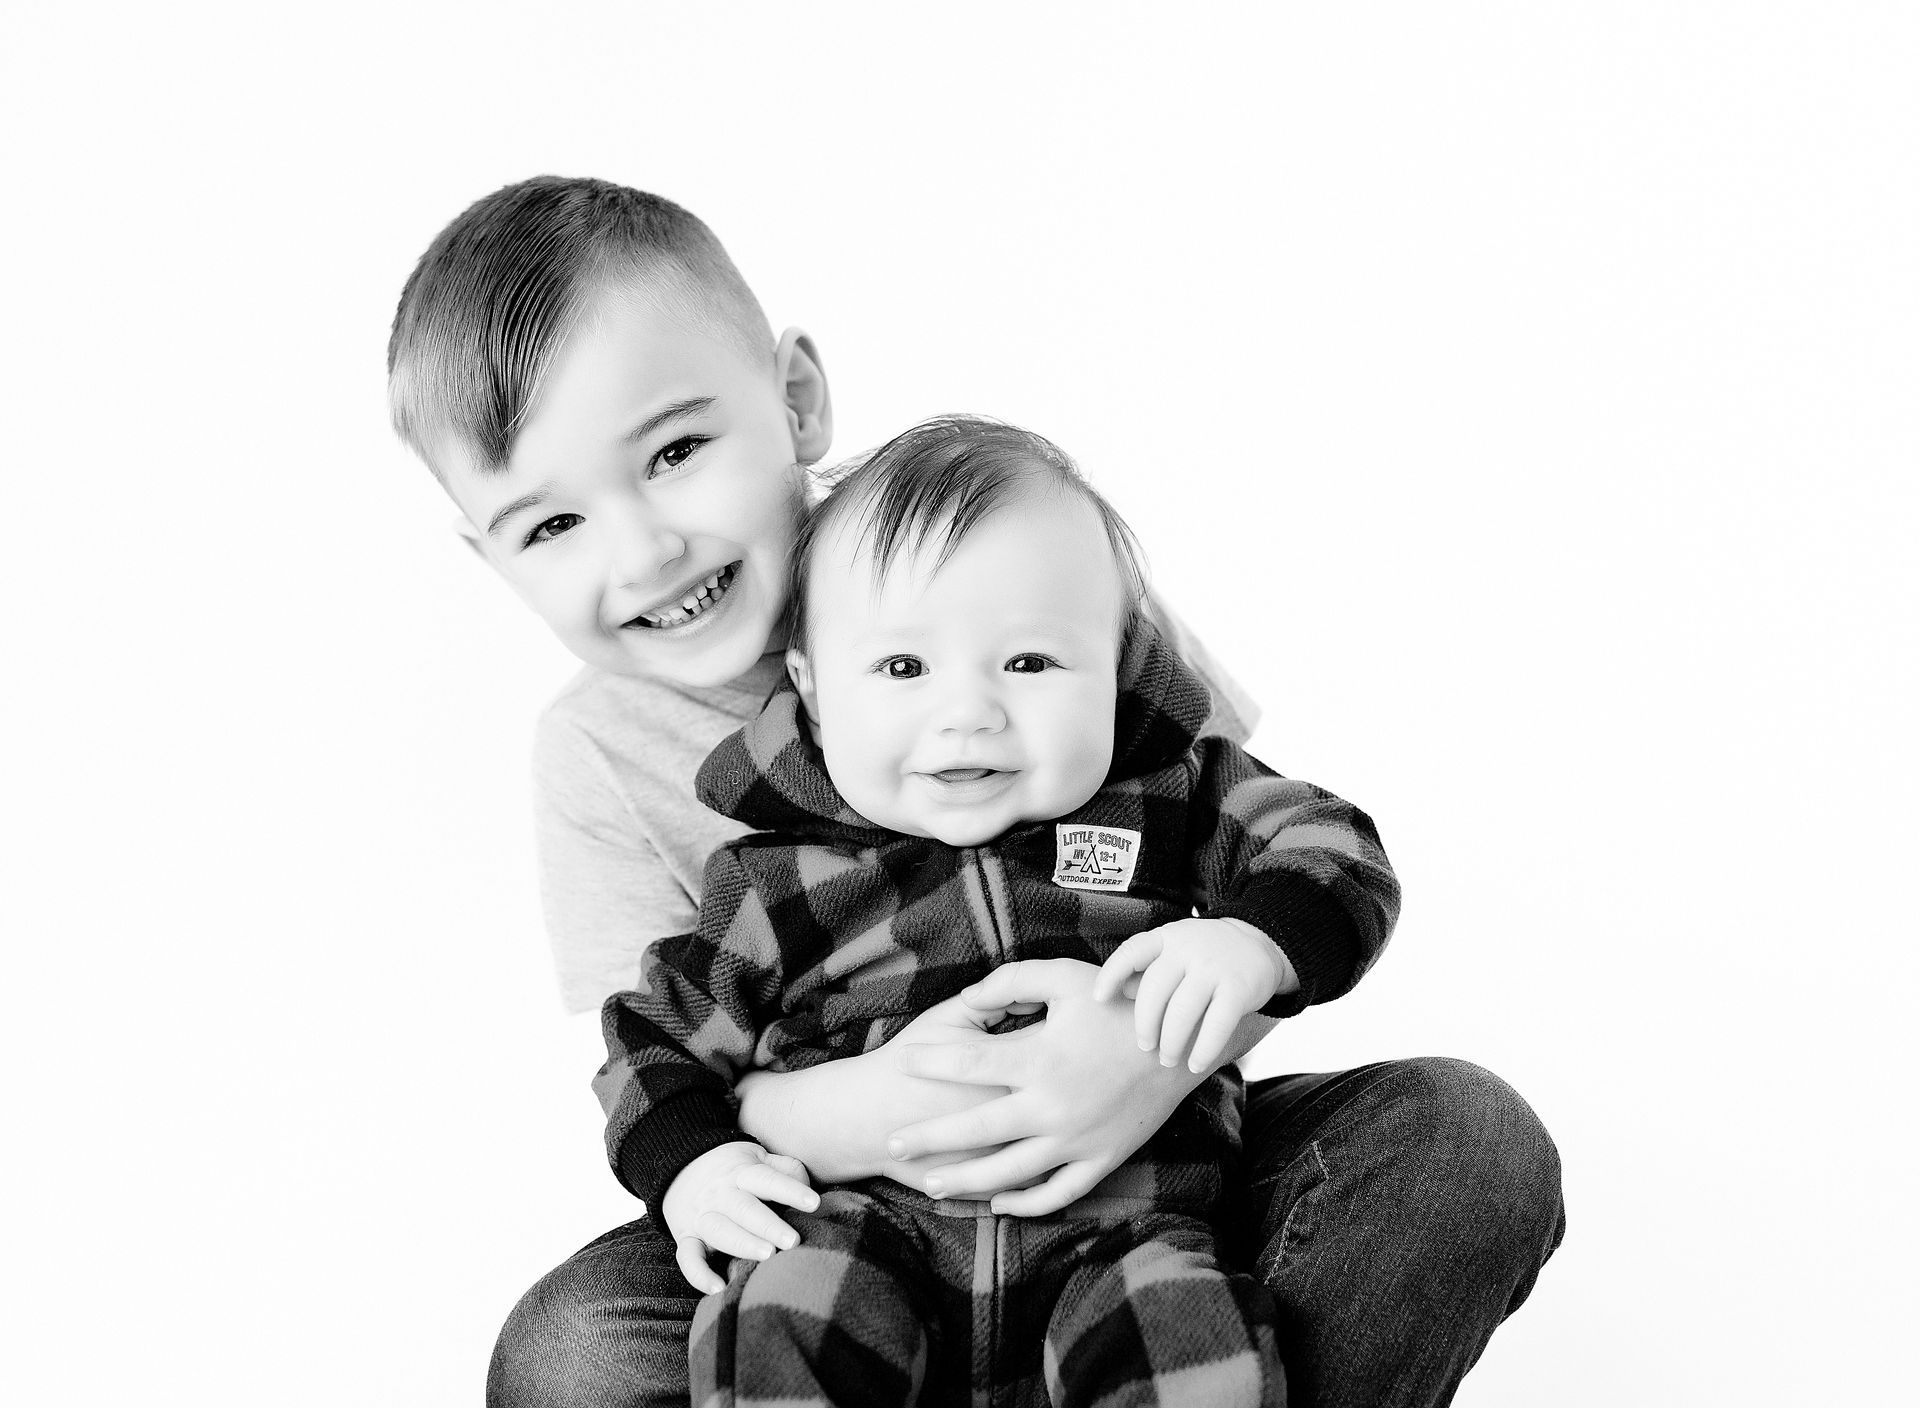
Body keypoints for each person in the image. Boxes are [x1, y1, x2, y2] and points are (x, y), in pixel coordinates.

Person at [386, 175, 1566, 1408]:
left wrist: (1134, 1066)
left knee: (1464, 1144)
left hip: (1148, 1175)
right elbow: (674, 1055)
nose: (643, 552)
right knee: (572, 1352)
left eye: (676, 453)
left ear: (795, 398)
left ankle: (1141, 1361)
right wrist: (870, 1114)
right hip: (844, 1216)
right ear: (488, 556)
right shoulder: (597, 755)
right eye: (552, 524)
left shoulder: (1020, 550)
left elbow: (1258, 852)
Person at [600, 416, 1399, 1405]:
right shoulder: (775, 882)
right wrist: (696, 1165)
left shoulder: (1170, 798)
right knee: (775, 1320)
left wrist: (1256, 940)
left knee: (1193, 1345)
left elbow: (1329, 842)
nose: (969, 712)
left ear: (1119, 666)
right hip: (860, 1234)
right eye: (904, 669)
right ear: (812, 689)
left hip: (1123, 1233)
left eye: (1028, 663)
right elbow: (654, 1039)